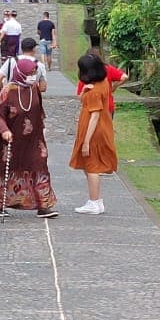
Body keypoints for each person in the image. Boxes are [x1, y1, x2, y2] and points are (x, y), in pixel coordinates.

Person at [0, 56, 59, 219]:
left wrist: (41, 128)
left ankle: (43, 205)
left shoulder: (33, 89)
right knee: (5, 168)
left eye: (34, 73)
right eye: (30, 73)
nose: (33, 76)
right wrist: (3, 130)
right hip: (10, 139)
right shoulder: (8, 90)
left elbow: (39, 110)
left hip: (33, 140)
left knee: (39, 164)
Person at [71, 54, 117, 215]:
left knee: (92, 166)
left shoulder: (95, 91)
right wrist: (83, 91)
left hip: (94, 131)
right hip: (101, 127)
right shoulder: (103, 83)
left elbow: (95, 115)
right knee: (91, 165)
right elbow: (82, 100)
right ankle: (96, 200)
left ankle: (94, 201)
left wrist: (86, 142)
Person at [76, 46, 129, 116]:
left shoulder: (85, 73)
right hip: (107, 106)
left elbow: (80, 97)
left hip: (90, 107)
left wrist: (83, 91)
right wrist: (114, 86)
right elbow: (125, 77)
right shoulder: (107, 69)